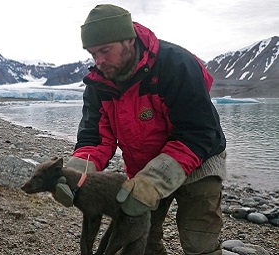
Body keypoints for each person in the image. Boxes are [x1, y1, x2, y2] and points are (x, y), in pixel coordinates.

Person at [54, 4, 227, 255]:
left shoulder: (176, 65)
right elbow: (95, 137)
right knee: (140, 238)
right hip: (144, 166)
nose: (99, 61)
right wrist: (75, 175)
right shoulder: (99, 83)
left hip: (200, 160)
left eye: (105, 50)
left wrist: (152, 183)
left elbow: (196, 133)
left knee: (199, 241)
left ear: (128, 40)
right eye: (93, 54)